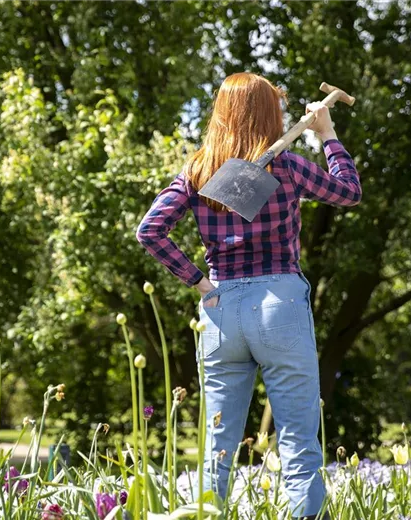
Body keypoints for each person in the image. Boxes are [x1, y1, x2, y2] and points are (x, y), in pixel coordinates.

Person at [136, 72, 362, 519]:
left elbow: (150, 230)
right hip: (280, 303)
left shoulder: (198, 170)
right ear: (267, 115)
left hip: (220, 310)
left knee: (217, 449)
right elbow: (349, 192)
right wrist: (328, 134)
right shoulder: (288, 166)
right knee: (297, 441)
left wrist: (200, 283)